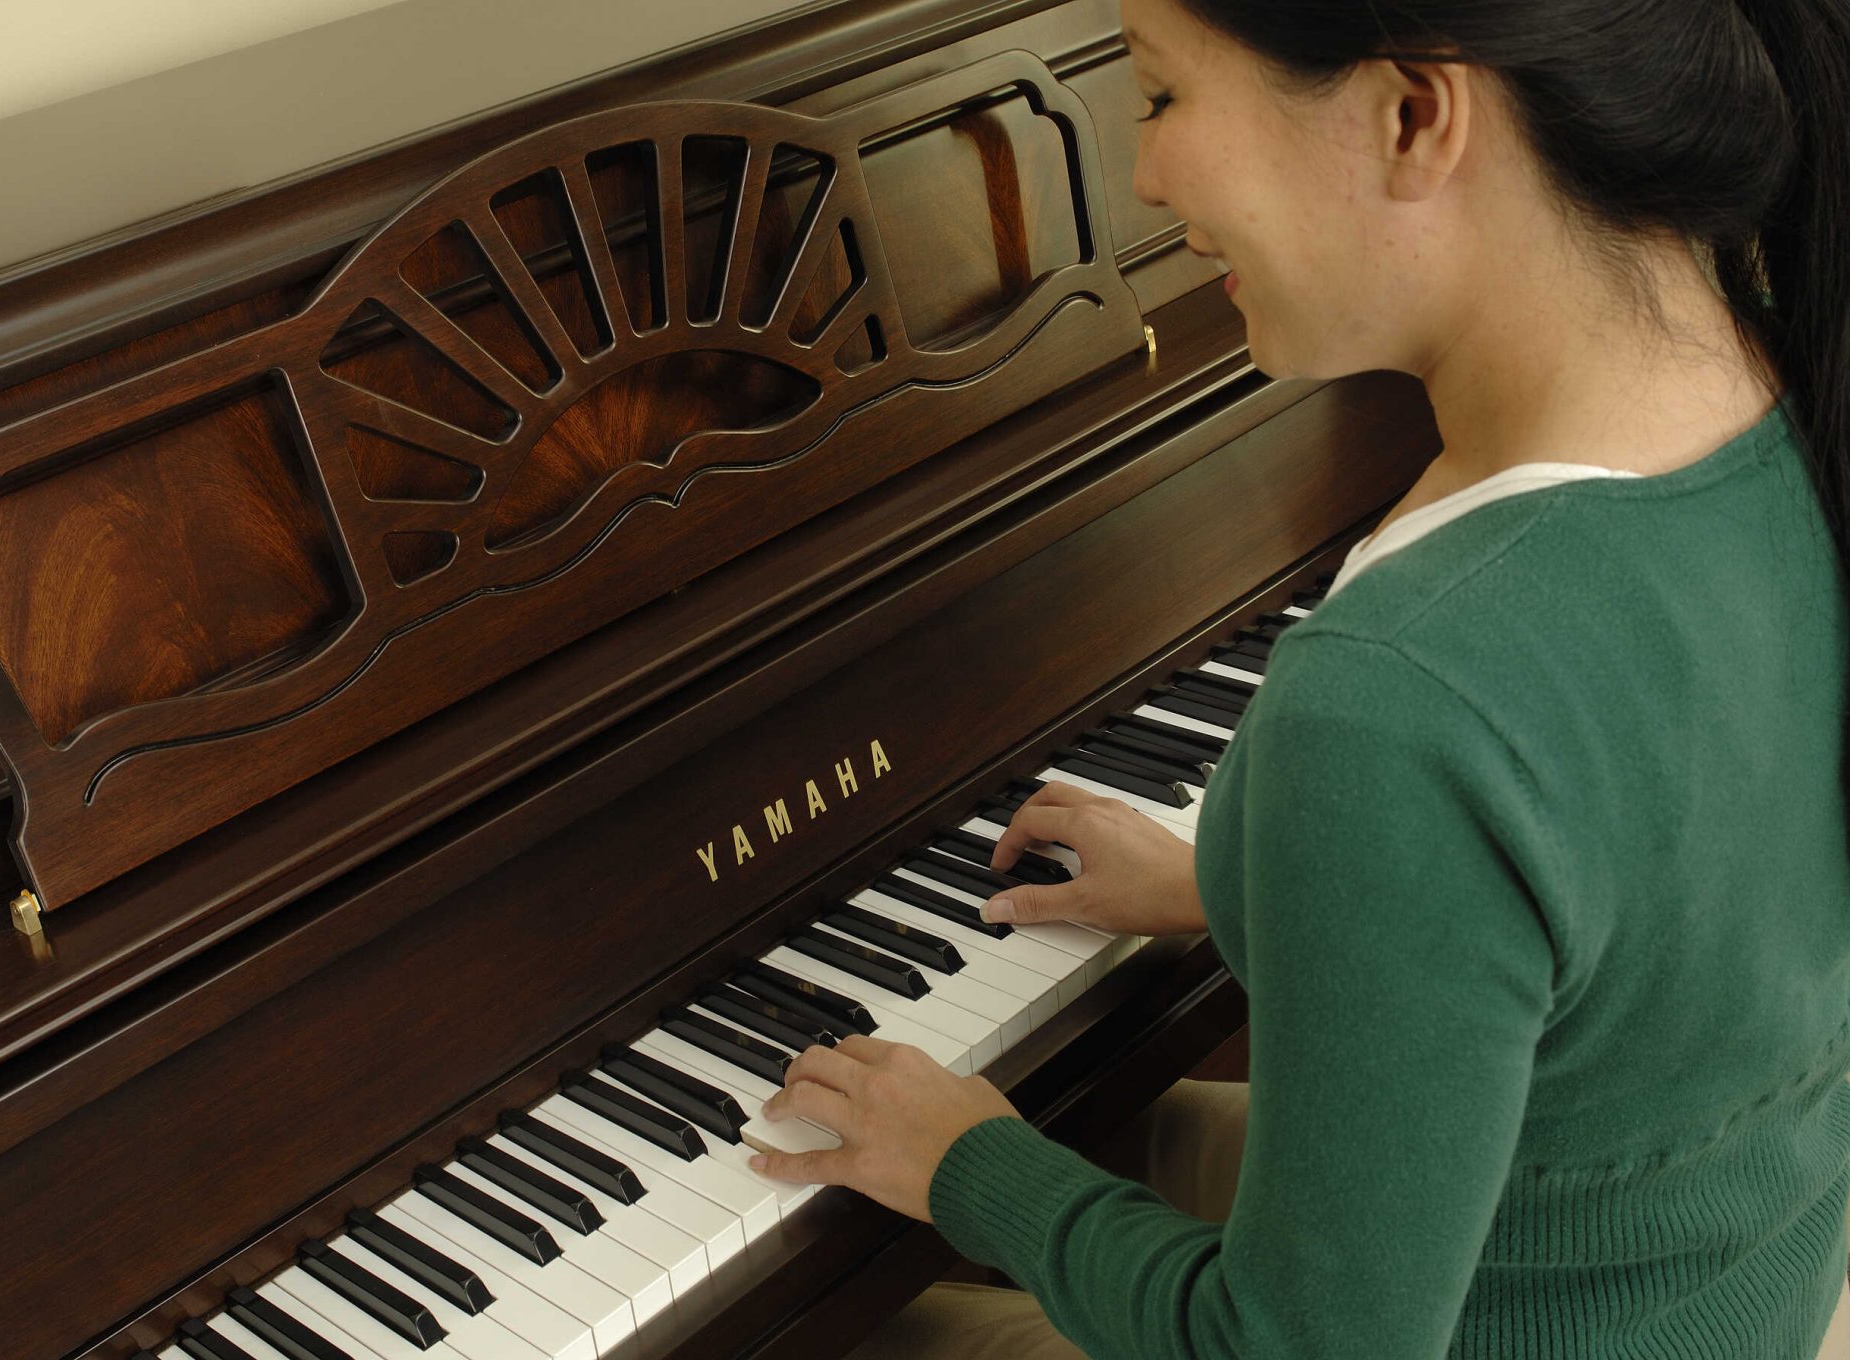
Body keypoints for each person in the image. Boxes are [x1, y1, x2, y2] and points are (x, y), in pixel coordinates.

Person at [746, 0, 1850, 1355]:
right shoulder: (1772, 386)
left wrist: (971, 1159)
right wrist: (1231, 881)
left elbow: (1290, 1345)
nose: (1142, 177)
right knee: (1143, 1141)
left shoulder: (1404, 693)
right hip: (1714, 1283)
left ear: (1413, 114)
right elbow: (1621, 884)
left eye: (1156, 96)